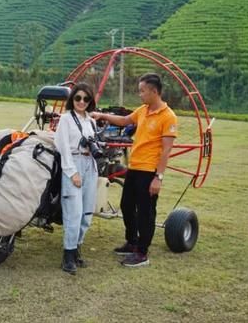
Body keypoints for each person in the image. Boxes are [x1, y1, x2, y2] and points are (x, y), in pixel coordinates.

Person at [91, 73, 177, 267]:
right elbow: (124, 121)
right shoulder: (143, 110)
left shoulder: (168, 117)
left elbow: (166, 150)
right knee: (127, 206)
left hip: (149, 172)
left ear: (154, 92)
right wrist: (102, 115)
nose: (140, 95)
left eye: (142, 91)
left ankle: (142, 253)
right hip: (135, 168)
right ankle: (132, 242)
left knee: (146, 212)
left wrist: (159, 178)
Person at [54, 82, 99, 275]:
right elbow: (62, 146)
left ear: (91, 101)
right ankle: (68, 255)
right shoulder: (66, 119)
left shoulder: (92, 121)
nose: (82, 102)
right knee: (73, 211)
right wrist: (72, 173)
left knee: (86, 213)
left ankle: (77, 247)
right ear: (72, 99)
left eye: (86, 99)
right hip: (74, 163)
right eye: (78, 98)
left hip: (91, 166)